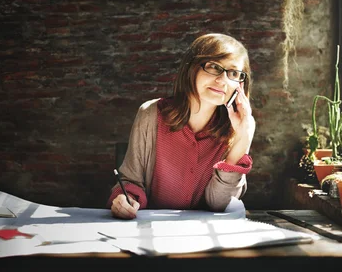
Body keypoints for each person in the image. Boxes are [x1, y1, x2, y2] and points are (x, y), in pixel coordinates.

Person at [107, 33, 256, 219]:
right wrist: (125, 198)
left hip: (204, 238)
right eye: (213, 67)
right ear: (191, 69)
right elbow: (131, 181)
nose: (222, 80)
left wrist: (244, 138)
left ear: (240, 84)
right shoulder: (151, 114)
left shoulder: (238, 128)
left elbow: (219, 203)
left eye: (233, 73)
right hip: (148, 230)